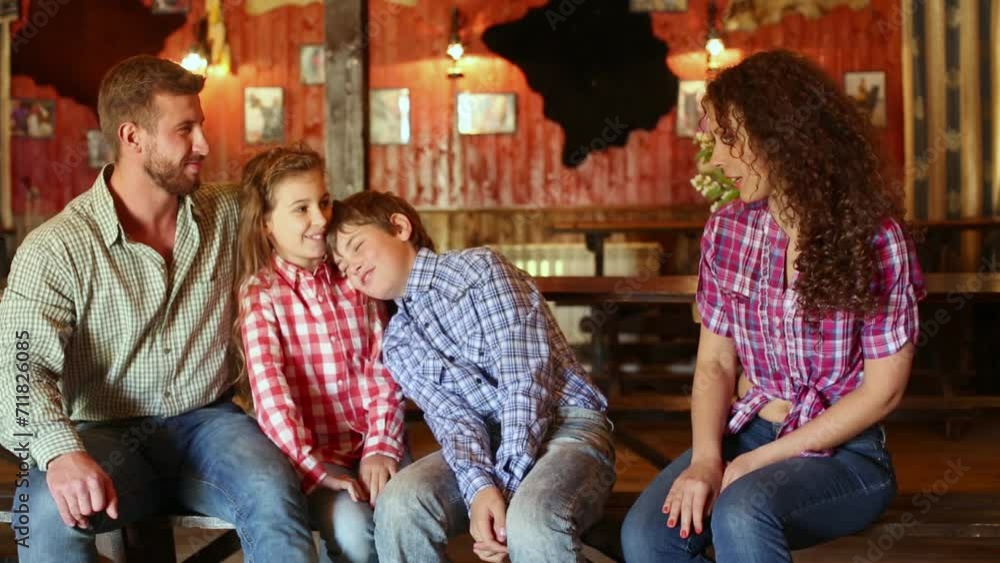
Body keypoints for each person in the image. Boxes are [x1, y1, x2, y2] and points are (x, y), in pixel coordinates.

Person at [0, 55, 318, 563]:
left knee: (272, 491)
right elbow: (17, 370)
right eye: (185, 130)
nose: (204, 146)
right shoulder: (55, 248)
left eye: (202, 127)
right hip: (103, 433)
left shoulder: (228, 214)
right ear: (133, 138)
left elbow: (308, 217)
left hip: (211, 424)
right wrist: (59, 451)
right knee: (42, 512)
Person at [620, 49, 925, 563]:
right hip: (748, 428)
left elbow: (883, 393)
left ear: (780, 137)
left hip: (846, 452)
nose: (716, 158)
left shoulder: (876, 237)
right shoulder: (727, 230)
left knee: (741, 511)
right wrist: (707, 461)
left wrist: (761, 460)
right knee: (648, 537)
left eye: (726, 139)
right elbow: (714, 364)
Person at [328, 191, 617, 563]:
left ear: (399, 227)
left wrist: (504, 491)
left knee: (528, 521)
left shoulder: (480, 270)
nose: (352, 268)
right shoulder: (397, 344)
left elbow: (526, 383)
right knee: (400, 501)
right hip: (487, 444)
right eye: (342, 266)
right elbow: (455, 424)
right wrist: (481, 488)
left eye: (356, 247)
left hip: (566, 428)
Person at [236, 145, 406, 563]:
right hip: (316, 461)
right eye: (301, 209)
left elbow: (381, 365)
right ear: (267, 225)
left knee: (405, 517)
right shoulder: (262, 295)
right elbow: (272, 397)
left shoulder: (350, 274)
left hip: (377, 444)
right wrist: (317, 470)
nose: (321, 218)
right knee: (356, 535)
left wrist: (381, 446)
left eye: (324, 202)